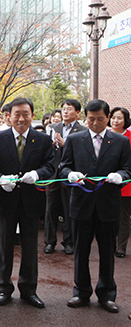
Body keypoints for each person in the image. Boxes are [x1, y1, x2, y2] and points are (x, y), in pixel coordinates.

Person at [60, 99, 131, 313]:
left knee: (107, 251)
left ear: (108, 118)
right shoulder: (74, 139)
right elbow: (63, 168)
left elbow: (128, 169)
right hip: (82, 203)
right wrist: (70, 175)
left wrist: (120, 175)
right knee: (81, 250)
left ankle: (107, 294)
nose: (95, 123)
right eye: (91, 119)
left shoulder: (120, 142)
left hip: (108, 205)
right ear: (85, 118)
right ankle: (81, 292)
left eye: (100, 119)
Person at [0, 97, 54, 309]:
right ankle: (3, 288)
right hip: (6, 199)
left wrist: (37, 173)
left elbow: (51, 167)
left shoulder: (42, 140)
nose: (21, 118)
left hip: (31, 201)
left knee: (30, 247)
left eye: (26, 114)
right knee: (4, 246)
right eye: (17, 114)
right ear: (8, 116)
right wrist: (0, 179)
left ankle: (28, 289)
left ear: (32, 115)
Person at [43, 99, 87, 255]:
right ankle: (49, 241)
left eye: (69, 109)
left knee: (69, 209)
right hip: (53, 175)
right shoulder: (52, 127)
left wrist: (64, 145)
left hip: (70, 174)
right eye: (64, 109)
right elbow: (45, 151)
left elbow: (82, 153)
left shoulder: (82, 130)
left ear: (77, 112)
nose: (65, 112)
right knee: (50, 209)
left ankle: (69, 242)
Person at [109, 107, 131, 258]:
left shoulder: (129, 137)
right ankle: (109, 243)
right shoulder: (106, 134)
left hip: (126, 182)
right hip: (107, 182)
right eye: (113, 118)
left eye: (119, 118)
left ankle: (121, 246)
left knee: (123, 216)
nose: (116, 121)